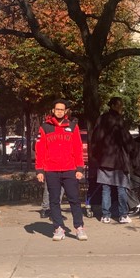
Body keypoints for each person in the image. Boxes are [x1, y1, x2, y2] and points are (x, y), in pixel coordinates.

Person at [35, 99, 87, 241]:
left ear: (66, 112)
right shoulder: (45, 127)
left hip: (70, 169)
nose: (59, 111)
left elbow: (77, 148)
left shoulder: (72, 126)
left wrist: (80, 168)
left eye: (62, 109)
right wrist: (39, 170)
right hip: (51, 170)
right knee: (54, 201)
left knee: (74, 199)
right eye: (57, 109)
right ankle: (58, 228)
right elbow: (40, 150)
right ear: (53, 110)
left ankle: (79, 227)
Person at [91, 96, 133, 224]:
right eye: (120, 105)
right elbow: (126, 139)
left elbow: (95, 138)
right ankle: (123, 214)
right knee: (121, 187)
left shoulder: (101, 119)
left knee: (106, 188)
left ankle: (106, 215)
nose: (121, 108)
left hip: (104, 159)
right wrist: (131, 151)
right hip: (118, 159)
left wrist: (97, 156)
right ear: (114, 106)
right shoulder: (119, 120)